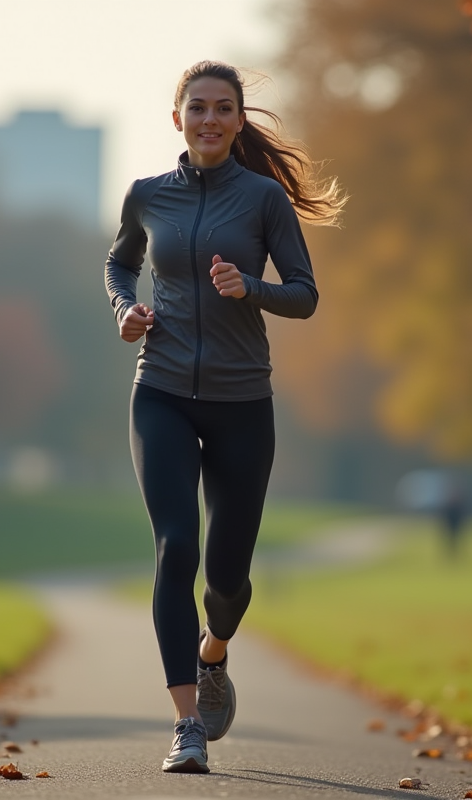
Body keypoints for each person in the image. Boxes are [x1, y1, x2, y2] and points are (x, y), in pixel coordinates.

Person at [104, 60, 345, 774]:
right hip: (162, 392)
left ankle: (213, 653)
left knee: (228, 577)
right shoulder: (147, 195)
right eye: (198, 107)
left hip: (242, 403)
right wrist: (125, 309)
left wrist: (251, 288)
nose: (209, 119)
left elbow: (304, 294)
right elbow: (119, 265)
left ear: (239, 121)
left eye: (222, 108)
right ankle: (187, 725)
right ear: (177, 117)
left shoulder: (263, 199)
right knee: (177, 546)